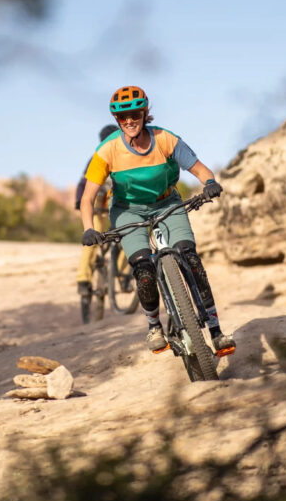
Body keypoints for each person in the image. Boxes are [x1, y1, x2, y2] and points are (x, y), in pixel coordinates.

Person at [79, 86, 236, 352]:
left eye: (134, 114)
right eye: (122, 117)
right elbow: (87, 198)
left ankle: (216, 331)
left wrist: (209, 182)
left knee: (191, 258)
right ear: (117, 120)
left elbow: (199, 168)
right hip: (128, 209)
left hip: (167, 202)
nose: (129, 121)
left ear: (144, 113)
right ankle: (154, 326)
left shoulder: (165, 139)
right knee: (143, 269)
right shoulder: (107, 150)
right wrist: (88, 228)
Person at [75, 124, 120, 323]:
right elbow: (83, 185)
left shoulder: (125, 157)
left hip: (115, 206)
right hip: (97, 208)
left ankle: (124, 273)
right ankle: (83, 280)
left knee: (127, 235)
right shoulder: (97, 159)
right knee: (92, 240)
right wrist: (80, 201)